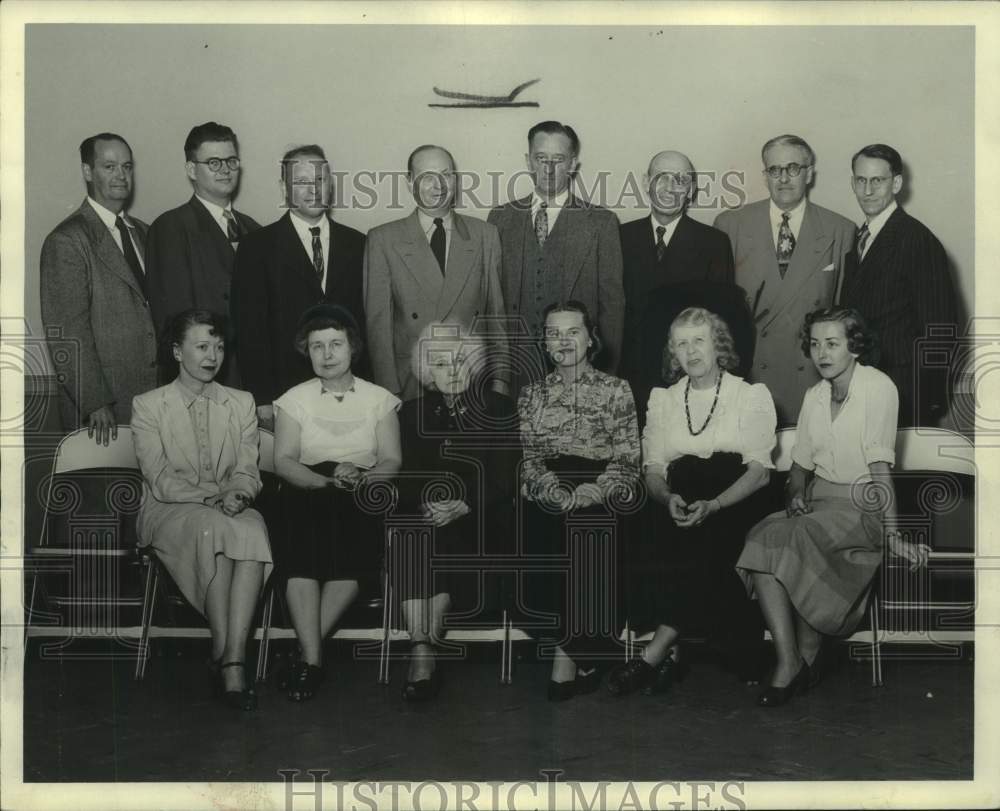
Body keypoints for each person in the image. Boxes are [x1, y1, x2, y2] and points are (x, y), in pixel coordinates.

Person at [736, 307, 931, 707]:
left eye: (833, 343)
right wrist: (794, 494)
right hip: (818, 504)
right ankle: (790, 659)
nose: (822, 353)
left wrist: (892, 535)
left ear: (854, 346)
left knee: (799, 538)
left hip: (863, 508)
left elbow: (879, 468)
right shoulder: (814, 395)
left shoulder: (878, 388)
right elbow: (800, 466)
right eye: (814, 344)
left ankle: (803, 659)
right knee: (763, 537)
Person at [608, 307, 775, 697]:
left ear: (718, 346)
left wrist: (714, 505)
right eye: (681, 344)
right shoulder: (663, 399)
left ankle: (657, 651)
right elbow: (652, 471)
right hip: (679, 500)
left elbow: (759, 473)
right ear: (673, 353)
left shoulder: (749, 395)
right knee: (660, 532)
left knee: (700, 540)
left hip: (735, 502)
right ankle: (678, 650)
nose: (691, 351)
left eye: (699, 340)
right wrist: (667, 497)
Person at [131, 309, 272, 711]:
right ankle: (229, 661)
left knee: (252, 530)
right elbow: (159, 478)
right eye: (202, 346)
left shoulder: (240, 402)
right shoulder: (148, 405)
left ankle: (231, 657)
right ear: (177, 352)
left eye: (220, 347)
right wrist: (213, 498)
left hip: (229, 503)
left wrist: (240, 495)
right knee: (216, 529)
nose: (213, 356)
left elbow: (247, 468)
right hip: (169, 507)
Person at [272, 303, 401, 701]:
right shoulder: (293, 399)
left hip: (360, 489)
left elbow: (392, 460)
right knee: (302, 559)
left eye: (335, 344)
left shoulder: (381, 399)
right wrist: (325, 481)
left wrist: (360, 479)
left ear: (352, 348)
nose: (327, 355)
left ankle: (307, 654)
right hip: (307, 486)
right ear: (306, 352)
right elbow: (283, 460)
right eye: (316, 347)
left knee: (352, 557)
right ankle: (313, 658)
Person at [518, 300, 640, 701]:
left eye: (572, 331)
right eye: (553, 333)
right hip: (550, 489)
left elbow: (627, 459)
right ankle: (586, 654)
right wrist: (549, 488)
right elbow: (529, 460)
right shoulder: (531, 394)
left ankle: (564, 661)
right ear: (544, 342)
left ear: (591, 338)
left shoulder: (615, 389)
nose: (563, 340)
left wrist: (594, 490)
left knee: (585, 536)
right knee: (534, 541)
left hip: (601, 489)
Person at [394, 320, 519, 701]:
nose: (451, 372)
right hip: (427, 513)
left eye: (459, 362)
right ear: (426, 371)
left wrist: (463, 502)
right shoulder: (410, 413)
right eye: (440, 364)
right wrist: (432, 500)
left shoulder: (499, 407)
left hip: (483, 516)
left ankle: (422, 652)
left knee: (445, 532)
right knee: (415, 529)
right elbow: (404, 475)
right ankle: (423, 646)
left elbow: (505, 475)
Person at [714, 134, 856, 426]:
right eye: (775, 170)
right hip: (749, 375)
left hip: (811, 378)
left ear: (809, 173)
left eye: (793, 168)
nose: (783, 178)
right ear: (765, 175)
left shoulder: (840, 230)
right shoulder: (730, 225)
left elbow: (843, 315)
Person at [232, 144, 366, 430]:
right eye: (302, 182)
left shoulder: (359, 244)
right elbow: (249, 328)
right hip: (285, 395)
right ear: (284, 188)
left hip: (349, 391)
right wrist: (262, 398)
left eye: (319, 180)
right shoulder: (257, 247)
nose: (313, 189)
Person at [364, 144, 507, 401]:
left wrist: (500, 380)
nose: (438, 185)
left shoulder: (485, 235)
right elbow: (378, 328)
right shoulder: (383, 240)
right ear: (409, 183)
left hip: (473, 379)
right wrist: (389, 392)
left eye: (446, 174)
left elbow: (495, 317)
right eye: (427, 177)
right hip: (410, 384)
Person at [40, 132, 157, 442]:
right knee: (104, 488)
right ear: (88, 172)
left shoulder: (145, 233)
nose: (121, 175)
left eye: (127, 166)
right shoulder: (67, 240)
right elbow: (66, 331)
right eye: (109, 166)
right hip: (102, 410)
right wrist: (94, 401)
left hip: (153, 402)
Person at [489, 121, 625, 387]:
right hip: (516, 369)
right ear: (528, 161)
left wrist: (605, 374)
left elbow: (613, 306)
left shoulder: (601, 222)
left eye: (558, 160)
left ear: (573, 164)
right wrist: (498, 376)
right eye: (541, 158)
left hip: (579, 369)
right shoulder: (500, 219)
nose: (549, 169)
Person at [839, 143, 960, 427]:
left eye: (877, 181)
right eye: (861, 180)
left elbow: (940, 329)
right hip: (863, 386)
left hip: (904, 393)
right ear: (852, 183)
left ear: (896, 183)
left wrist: (927, 400)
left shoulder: (917, 239)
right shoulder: (861, 237)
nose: (867, 190)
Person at [146, 122, 261, 387]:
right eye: (214, 162)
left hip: (251, 378)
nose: (225, 170)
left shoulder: (253, 229)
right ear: (191, 169)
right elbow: (175, 319)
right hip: (203, 379)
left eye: (231, 161)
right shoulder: (171, 227)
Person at [620, 150, 734, 384]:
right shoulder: (619, 238)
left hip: (689, 376)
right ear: (645, 182)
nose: (670, 187)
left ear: (691, 190)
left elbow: (720, 321)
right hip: (629, 375)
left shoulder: (714, 243)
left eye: (680, 180)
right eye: (661, 177)